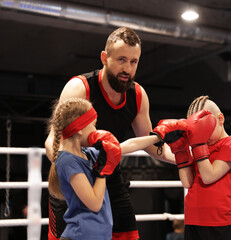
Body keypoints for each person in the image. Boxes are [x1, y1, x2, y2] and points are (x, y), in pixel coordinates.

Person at [44, 27, 175, 240]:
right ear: (105, 58)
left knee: (128, 234)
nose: (128, 68)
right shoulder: (80, 88)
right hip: (74, 174)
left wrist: (185, 157)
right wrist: (71, 166)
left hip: (107, 170)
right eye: (121, 59)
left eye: (134, 62)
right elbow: (53, 140)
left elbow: (149, 145)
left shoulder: (138, 95)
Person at [47, 98, 161, 239]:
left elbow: (127, 146)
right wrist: (102, 172)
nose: (95, 129)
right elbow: (94, 203)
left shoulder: (89, 154)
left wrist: (160, 136)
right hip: (80, 236)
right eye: (93, 125)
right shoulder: (67, 161)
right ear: (80, 129)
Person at [155, 95, 231, 240]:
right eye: (196, 130)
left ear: (220, 119)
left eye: (205, 128)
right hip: (192, 219)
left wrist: (198, 143)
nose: (202, 134)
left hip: (220, 222)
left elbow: (209, 176)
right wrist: (181, 151)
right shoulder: (200, 148)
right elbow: (187, 183)